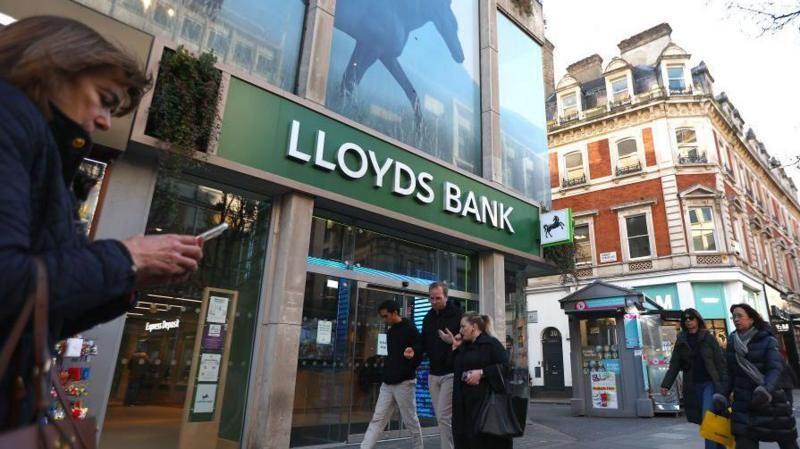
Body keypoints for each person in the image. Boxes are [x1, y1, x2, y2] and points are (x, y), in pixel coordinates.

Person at [0, 16, 204, 430]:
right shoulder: (10, 121)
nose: (106, 121)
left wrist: (130, 279)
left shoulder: (45, 155)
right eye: (104, 98)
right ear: (51, 67)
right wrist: (125, 258)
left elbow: (43, 316)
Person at [722, 304, 798, 449]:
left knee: (787, 442)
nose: (736, 319)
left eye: (740, 316)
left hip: (771, 400)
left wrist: (765, 390)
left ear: (751, 319)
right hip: (744, 404)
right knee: (744, 442)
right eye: (734, 317)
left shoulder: (768, 340)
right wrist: (722, 394)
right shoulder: (732, 342)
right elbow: (730, 373)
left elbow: (775, 368)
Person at [660, 308, 727, 449]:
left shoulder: (708, 338)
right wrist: (666, 384)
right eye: (685, 319)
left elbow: (720, 362)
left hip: (710, 383)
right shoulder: (681, 339)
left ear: (698, 319)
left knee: (707, 417)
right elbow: (675, 364)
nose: (688, 321)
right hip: (692, 385)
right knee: (707, 420)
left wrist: (725, 385)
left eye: (691, 318)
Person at [361, 300, 423, 449]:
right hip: (388, 383)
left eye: (386, 316)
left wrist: (411, 357)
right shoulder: (390, 331)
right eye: (382, 317)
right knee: (378, 418)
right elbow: (391, 355)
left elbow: (419, 351)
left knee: (410, 420)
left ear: (395, 312)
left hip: (404, 383)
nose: (384, 319)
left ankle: (418, 447)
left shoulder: (410, 328)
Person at [446, 313, 511, 449]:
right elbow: (452, 367)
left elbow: (506, 367)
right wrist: (455, 348)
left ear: (474, 327)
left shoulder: (491, 344)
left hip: (485, 407)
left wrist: (482, 373)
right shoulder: (464, 346)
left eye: (463, 327)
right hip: (463, 408)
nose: (460, 331)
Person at [418, 281, 462, 449]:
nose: (434, 301)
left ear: (446, 297)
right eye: (431, 298)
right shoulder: (428, 318)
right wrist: (413, 352)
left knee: (444, 416)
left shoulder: (458, 314)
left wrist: (453, 341)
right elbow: (423, 342)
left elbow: (467, 339)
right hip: (433, 373)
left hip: (451, 372)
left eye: (438, 298)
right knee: (442, 417)